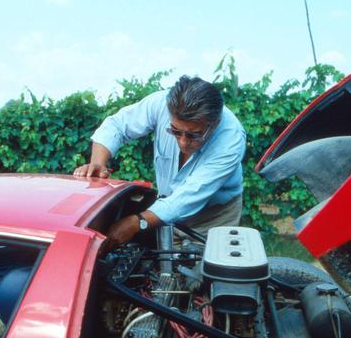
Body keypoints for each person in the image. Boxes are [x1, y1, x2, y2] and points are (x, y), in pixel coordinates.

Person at [73, 75, 246, 248]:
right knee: (166, 266)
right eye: (175, 131)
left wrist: (137, 222)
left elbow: (188, 197)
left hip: (213, 216)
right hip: (165, 209)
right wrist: (98, 164)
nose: (183, 142)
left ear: (214, 124)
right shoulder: (159, 104)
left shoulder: (231, 139)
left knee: (204, 271)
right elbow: (116, 126)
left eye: (194, 135)